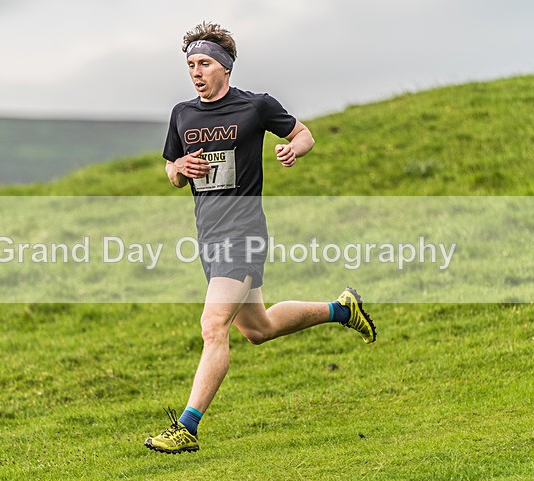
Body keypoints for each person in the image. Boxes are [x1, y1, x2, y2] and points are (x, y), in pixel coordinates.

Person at [144, 22, 376, 454]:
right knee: (258, 327)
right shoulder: (183, 114)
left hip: (244, 233)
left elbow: (302, 133)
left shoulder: (255, 106)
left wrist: (294, 150)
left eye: (205, 63)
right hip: (208, 237)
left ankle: (187, 427)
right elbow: (171, 171)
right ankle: (341, 310)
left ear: (225, 68)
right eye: (191, 64)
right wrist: (180, 170)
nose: (196, 72)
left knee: (214, 326)